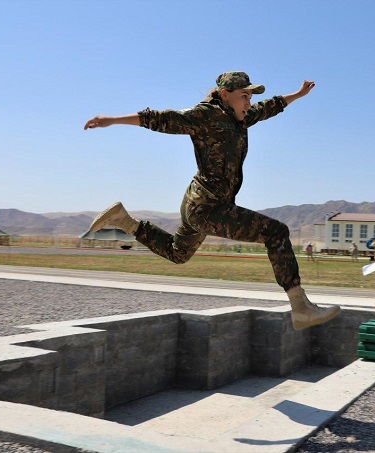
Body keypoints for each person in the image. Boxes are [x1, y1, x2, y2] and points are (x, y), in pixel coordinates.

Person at [83, 71, 339, 331]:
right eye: (244, 96)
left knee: (177, 253)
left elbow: (269, 107)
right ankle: (301, 307)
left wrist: (298, 94)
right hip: (207, 208)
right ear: (226, 95)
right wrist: (112, 120)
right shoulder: (205, 115)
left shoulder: (240, 117)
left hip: (199, 203)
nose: (249, 102)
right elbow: (163, 119)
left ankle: (123, 220)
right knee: (276, 232)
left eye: (250, 96)